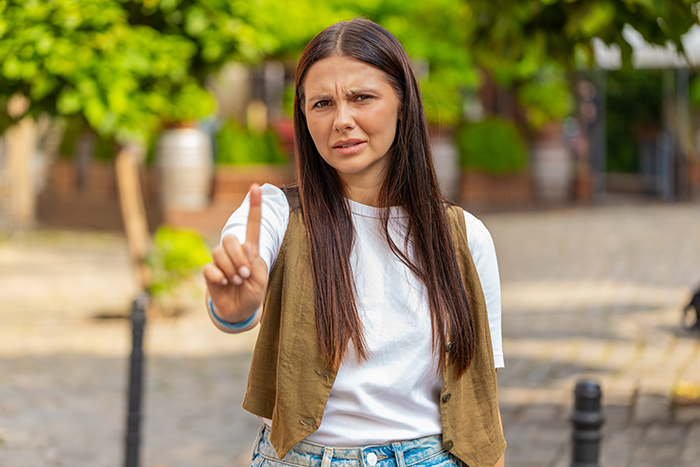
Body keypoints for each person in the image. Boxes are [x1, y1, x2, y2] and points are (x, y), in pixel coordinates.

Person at [202, 18, 506, 467]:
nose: (342, 120)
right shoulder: (273, 213)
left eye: (362, 97)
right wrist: (234, 307)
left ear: (402, 103)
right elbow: (240, 277)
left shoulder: (463, 237)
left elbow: (480, 401)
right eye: (321, 103)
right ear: (304, 118)